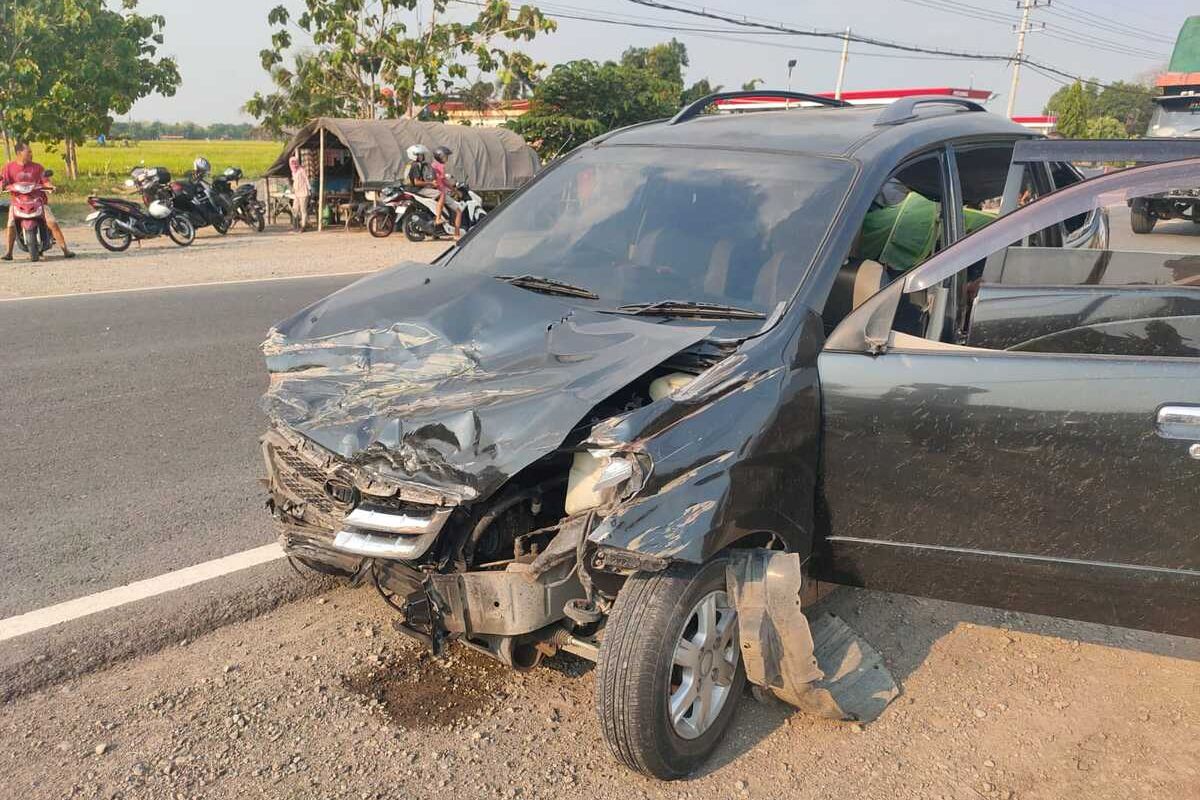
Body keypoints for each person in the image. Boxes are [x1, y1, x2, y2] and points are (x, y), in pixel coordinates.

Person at [2, 142, 75, 260]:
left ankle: (65, 249)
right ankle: (8, 252)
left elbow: (45, 180)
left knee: (52, 223)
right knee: (10, 224)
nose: (31, 154)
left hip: (38, 201)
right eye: (28, 151)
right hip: (18, 201)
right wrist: (2, 186)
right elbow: (3, 181)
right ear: (19, 153)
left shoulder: (37, 167)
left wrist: (50, 186)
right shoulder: (8, 168)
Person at [431, 145, 462, 239]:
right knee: (458, 211)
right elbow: (444, 181)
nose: (447, 158)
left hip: (434, 190)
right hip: (441, 191)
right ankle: (457, 234)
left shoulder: (433, 165)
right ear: (440, 156)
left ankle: (435, 234)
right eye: (445, 156)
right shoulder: (440, 166)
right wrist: (455, 191)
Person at [289, 154, 310, 232]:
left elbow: (306, 179)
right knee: (295, 209)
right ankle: (295, 225)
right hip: (297, 193)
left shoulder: (301, 170)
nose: (294, 164)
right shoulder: (293, 172)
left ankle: (303, 226)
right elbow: (295, 182)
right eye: (292, 162)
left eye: (295, 162)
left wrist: (309, 188)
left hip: (304, 192)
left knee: (303, 210)